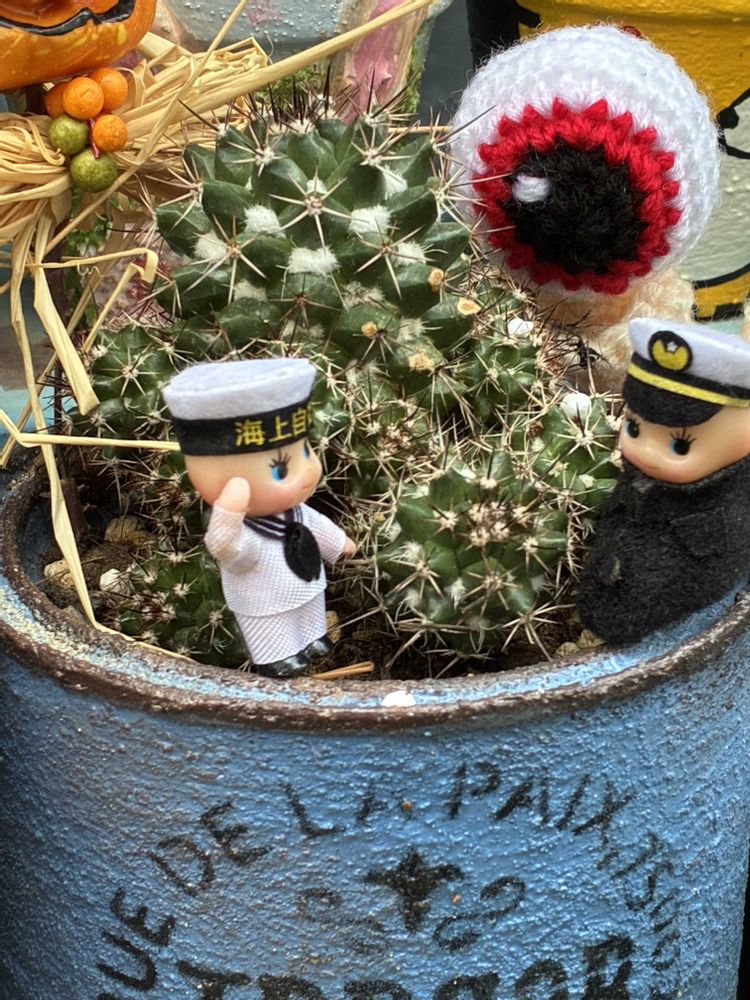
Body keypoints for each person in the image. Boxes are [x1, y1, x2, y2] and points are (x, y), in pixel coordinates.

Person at [163, 357, 356, 678]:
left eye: (306, 452)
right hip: (265, 599)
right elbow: (229, 551)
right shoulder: (246, 530)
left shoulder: (297, 511)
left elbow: (316, 525)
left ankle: (313, 638)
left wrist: (339, 543)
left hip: (307, 582)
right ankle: (277, 656)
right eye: (280, 470)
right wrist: (228, 514)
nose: (307, 472)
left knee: (310, 607)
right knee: (271, 624)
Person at [578, 317, 750, 644]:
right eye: (633, 428)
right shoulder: (640, 480)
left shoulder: (729, 506)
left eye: (680, 446)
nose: (645, 453)